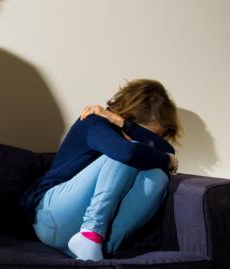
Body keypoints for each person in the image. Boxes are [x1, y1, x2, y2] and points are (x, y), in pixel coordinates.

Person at [20, 79, 181, 261]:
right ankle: (91, 234)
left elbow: (168, 151)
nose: (150, 143)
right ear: (130, 116)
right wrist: (166, 158)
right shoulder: (93, 122)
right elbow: (129, 153)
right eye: (149, 134)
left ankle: (101, 250)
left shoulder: (122, 125)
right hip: (51, 217)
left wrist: (123, 123)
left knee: (158, 176)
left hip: (80, 236)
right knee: (128, 152)